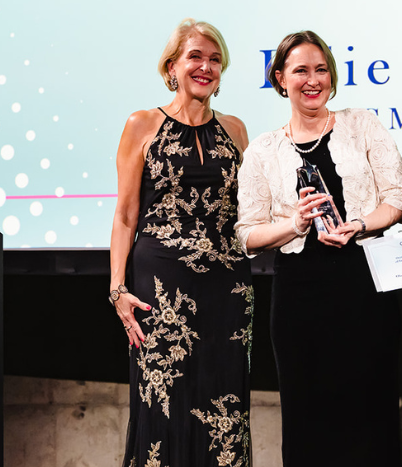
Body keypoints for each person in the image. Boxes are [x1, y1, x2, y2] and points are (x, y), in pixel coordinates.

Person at [235, 30, 402, 467]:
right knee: (307, 417)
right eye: (300, 71)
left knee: (372, 411)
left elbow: (398, 196)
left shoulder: (361, 123)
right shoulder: (262, 150)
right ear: (280, 78)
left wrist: (359, 225)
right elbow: (247, 235)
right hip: (299, 297)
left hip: (365, 285)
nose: (312, 80)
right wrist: (294, 222)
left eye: (321, 70)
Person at [109, 18, 253, 467]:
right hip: (162, 292)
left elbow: (250, 209)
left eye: (215, 60)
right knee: (163, 407)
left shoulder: (236, 129)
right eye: (196, 57)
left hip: (229, 292)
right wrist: (117, 289)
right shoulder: (142, 124)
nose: (205, 67)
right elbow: (126, 214)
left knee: (225, 407)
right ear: (172, 66)